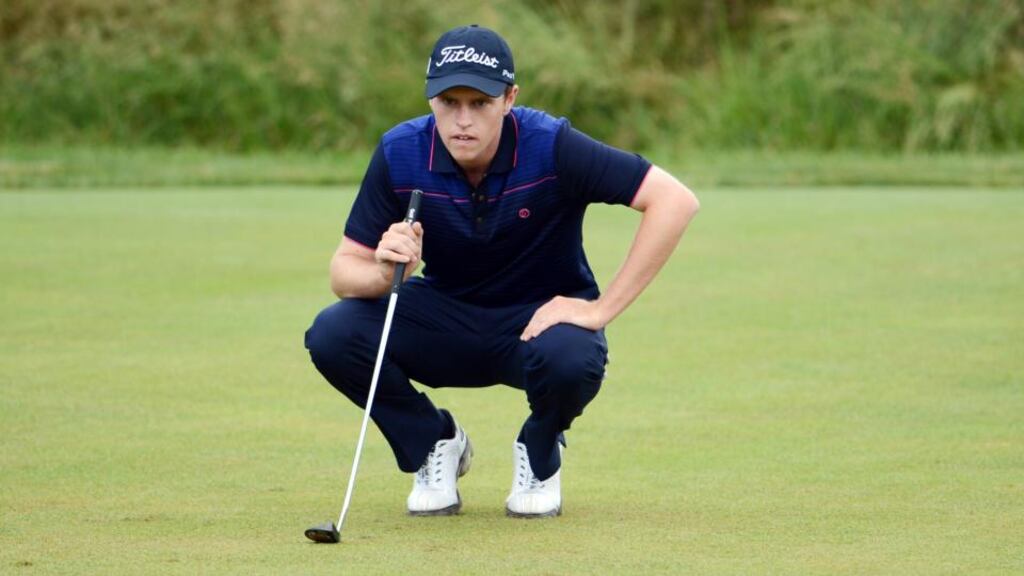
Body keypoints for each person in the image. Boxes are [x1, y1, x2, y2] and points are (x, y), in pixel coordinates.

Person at [304, 24, 699, 519]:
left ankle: (539, 452)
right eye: (448, 102)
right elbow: (344, 272)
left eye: (480, 103)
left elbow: (674, 201)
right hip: (444, 319)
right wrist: (384, 271)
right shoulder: (401, 152)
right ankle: (433, 443)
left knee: (573, 356)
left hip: (538, 324)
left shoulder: (552, 146)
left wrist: (600, 309)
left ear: (510, 98)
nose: (462, 120)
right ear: (430, 99)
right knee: (333, 333)